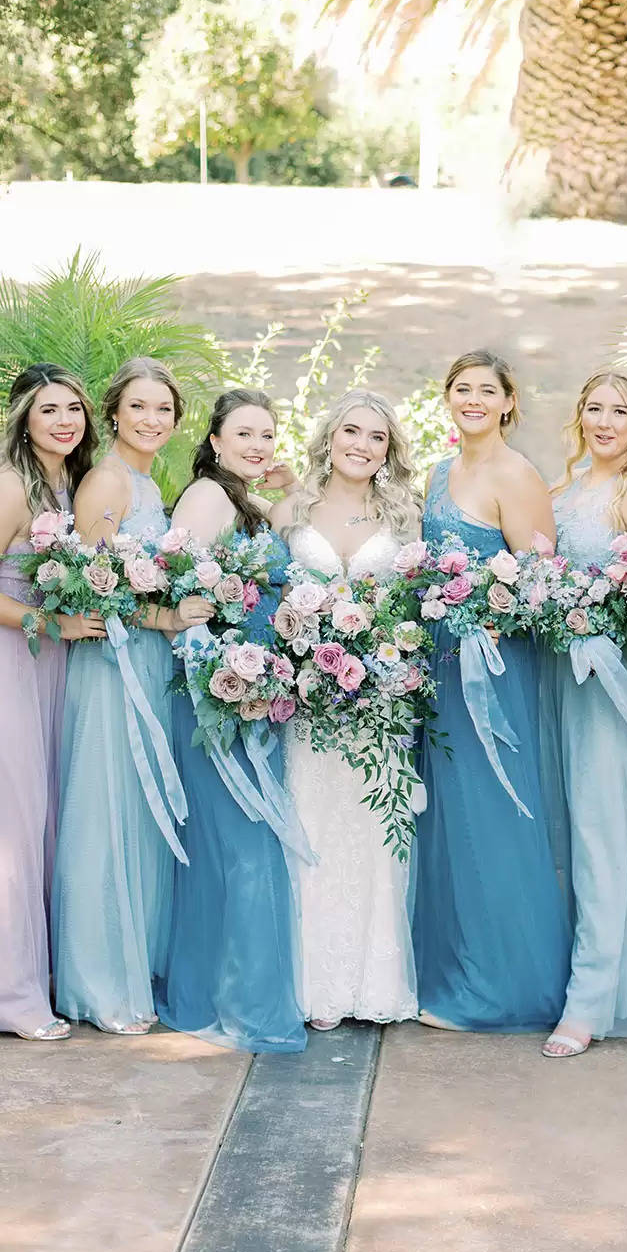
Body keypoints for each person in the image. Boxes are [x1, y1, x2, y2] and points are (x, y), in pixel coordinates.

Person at [52, 358, 213, 1035]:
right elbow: (89, 586)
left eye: (165, 411)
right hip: (112, 662)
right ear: (113, 412)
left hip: (149, 663)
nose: (153, 420)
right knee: (108, 805)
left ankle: (135, 961)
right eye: (140, 407)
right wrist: (165, 619)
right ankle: (97, 980)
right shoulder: (107, 480)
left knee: (143, 813)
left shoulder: (149, 482)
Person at [412, 350, 571, 1033]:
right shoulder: (439, 473)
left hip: (496, 669)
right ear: (446, 396)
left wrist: (482, 614)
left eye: (487, 391)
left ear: (509, 402)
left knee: (497, 811)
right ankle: (453, 969)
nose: (472, 400)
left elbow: (542, 583)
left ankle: (507, 985)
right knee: (450, 817)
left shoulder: (517, 474)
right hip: (442, 664)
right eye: (461, 389)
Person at [0, 364, 102, 1040]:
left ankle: (32, 975)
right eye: (50, 411)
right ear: (24, 419)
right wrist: (49, 623)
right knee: (4, 834)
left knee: (42, 828)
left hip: (49, 669)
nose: (65, 420)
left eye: (73, 408)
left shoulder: (72, 481)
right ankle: (4, 1001)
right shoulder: (12, 484)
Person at [157, 389, 307, 1052]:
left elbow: (298, 522)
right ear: (214, 440)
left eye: (268, 436)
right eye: (244, 433)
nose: (257, 445)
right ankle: (236, 1000)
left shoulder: (244, 500)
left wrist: (289, 480)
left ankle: (227, 989)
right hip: (219, 698)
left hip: (255, 693)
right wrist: (225, 678)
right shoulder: (207, 498)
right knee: (242, 848)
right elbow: (176, 588)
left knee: (247, 845)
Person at [539, 368, 627, 1057]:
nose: (603, 422)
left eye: (618, 412)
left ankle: (591, 1000)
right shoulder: (565, 492)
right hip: (563, 678)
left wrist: (599, 618)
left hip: (618, 684)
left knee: (604, 829)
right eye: (592, 408)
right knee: (574, 830)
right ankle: (574, 974)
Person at [270, 390, 421, 1029]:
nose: (362, 445)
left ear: (389, 450)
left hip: (381, 696)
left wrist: (389, 650)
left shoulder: (404, 514)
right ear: (328, 438)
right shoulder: (288, 509)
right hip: (308, 702)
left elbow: (417, 603)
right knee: (311, 824)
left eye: (377, 437)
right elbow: (266, 597)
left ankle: (374, 982)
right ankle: (313, 984)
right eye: (351, 431)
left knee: (373, 830)